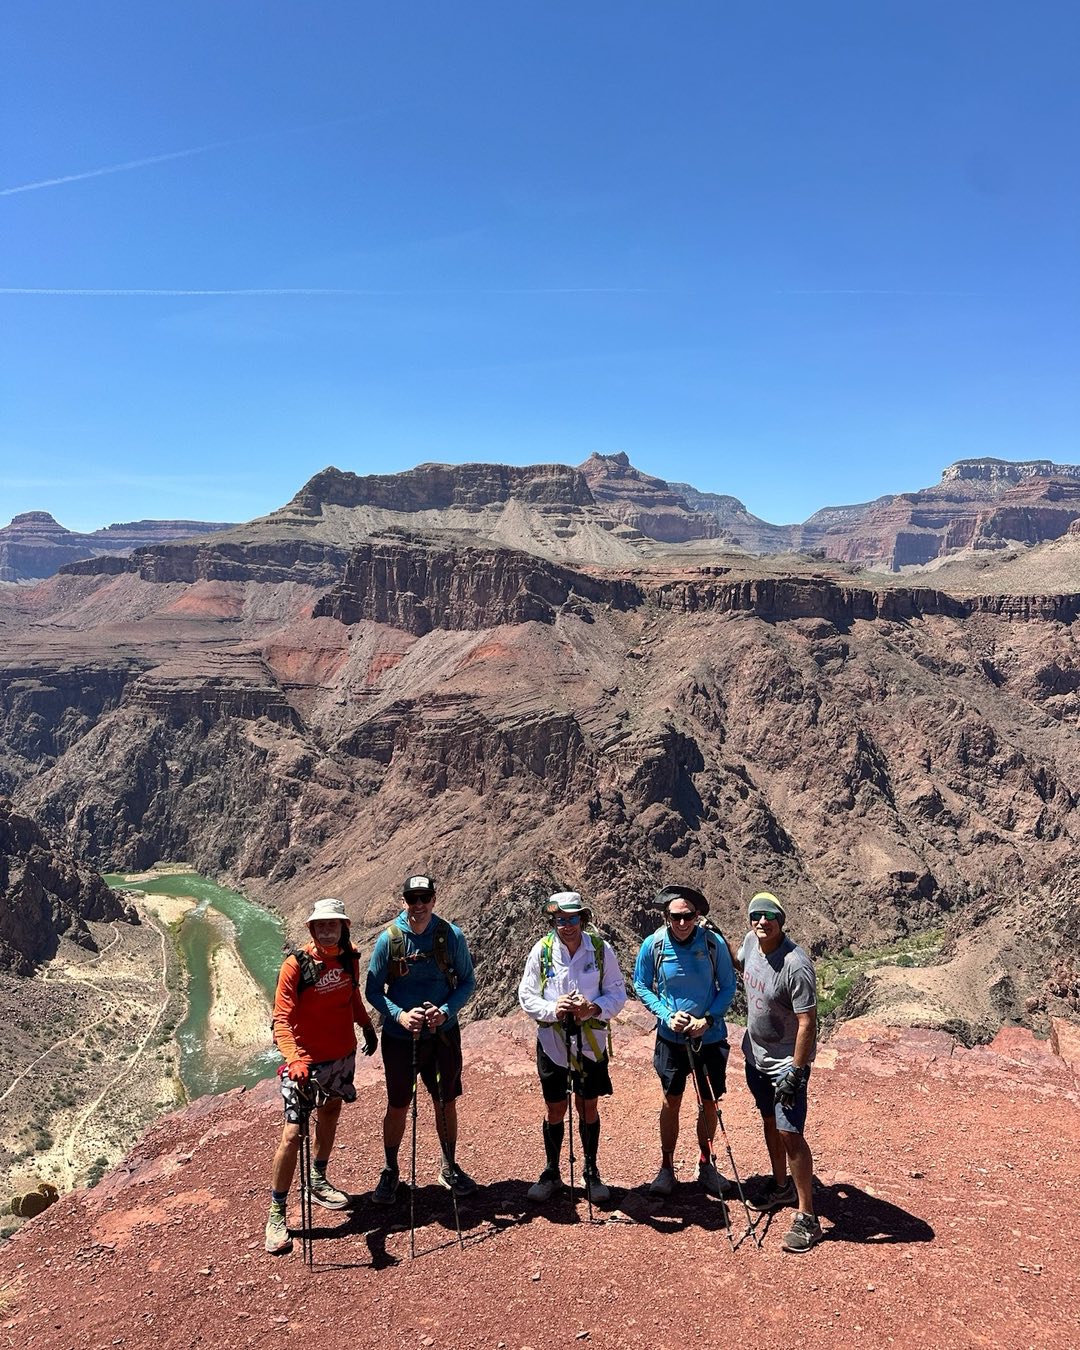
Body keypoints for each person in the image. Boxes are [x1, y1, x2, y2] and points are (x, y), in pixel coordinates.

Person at [265, 896, 379, 1255]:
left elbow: (352, 996)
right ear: (312, 929)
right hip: (304, 1065)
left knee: (330, 1113)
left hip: (341, 1056)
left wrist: (365, 1025)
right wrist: (295, 1058)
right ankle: (277, 1213)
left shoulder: (350, 957)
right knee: (293, 1134)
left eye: (334, 924)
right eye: (321, 925)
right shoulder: (295, 966)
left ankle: (317, 1178)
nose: (328, 930)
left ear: (344, 927)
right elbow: (280, 1021)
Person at [365, 873, 477, 1203]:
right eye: (412, 899)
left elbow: (467, 982)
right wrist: (399, 1014)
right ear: (404, 901)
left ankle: (449, 1165)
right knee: (398, 1104)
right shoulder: (390, 939)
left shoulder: (450, 936)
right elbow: (373, 989)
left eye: (424, 898)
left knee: (446, 1101)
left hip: (441, 1036)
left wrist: (445, 1010)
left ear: (433, 900)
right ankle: (390, 1170)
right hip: (400, 1038)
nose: (418, 906)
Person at [517, 891, 627, 1204]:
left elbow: (618, 993)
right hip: (553, 1043)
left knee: (588, 1105)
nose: (567, 925)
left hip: (590, 1045)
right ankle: (552, 1171)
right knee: (555, 1107)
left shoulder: (601, 950)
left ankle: (590, 1171)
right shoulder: (542, 951)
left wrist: (592, 1008)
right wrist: (554, 1008)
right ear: (553, 921)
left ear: (583, 918)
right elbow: (527, 995)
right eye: (560, 920)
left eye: (572, 918)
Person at [632, 884, 737, 1198]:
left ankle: (705, 1164)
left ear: (697, 915)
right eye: (675, 916)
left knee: (709, 1102)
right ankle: (666, 1168)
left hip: (710, 1037)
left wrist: (708, 1019)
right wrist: (666, 1015)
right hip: (671, 1039)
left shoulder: (713, 943)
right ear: (666, 916)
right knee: (671, 1101)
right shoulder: (653, 945)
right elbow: (641, 984)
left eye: (688, 916)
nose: (681, 923)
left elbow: (728, 987)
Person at [731, 890, 821, 1254]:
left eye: (769, 916)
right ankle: (781, 1185)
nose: (762, 922)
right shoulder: (751, 944)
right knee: (769, 1120)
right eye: (756, 916)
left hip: (785, 1064)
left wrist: (797, 1072)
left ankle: (807, 1216)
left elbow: (807, 1020)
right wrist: (710, 935)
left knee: (790, 1133)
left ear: (781, 920)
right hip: (756, 1057)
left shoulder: (796, 965)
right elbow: (740, 963)